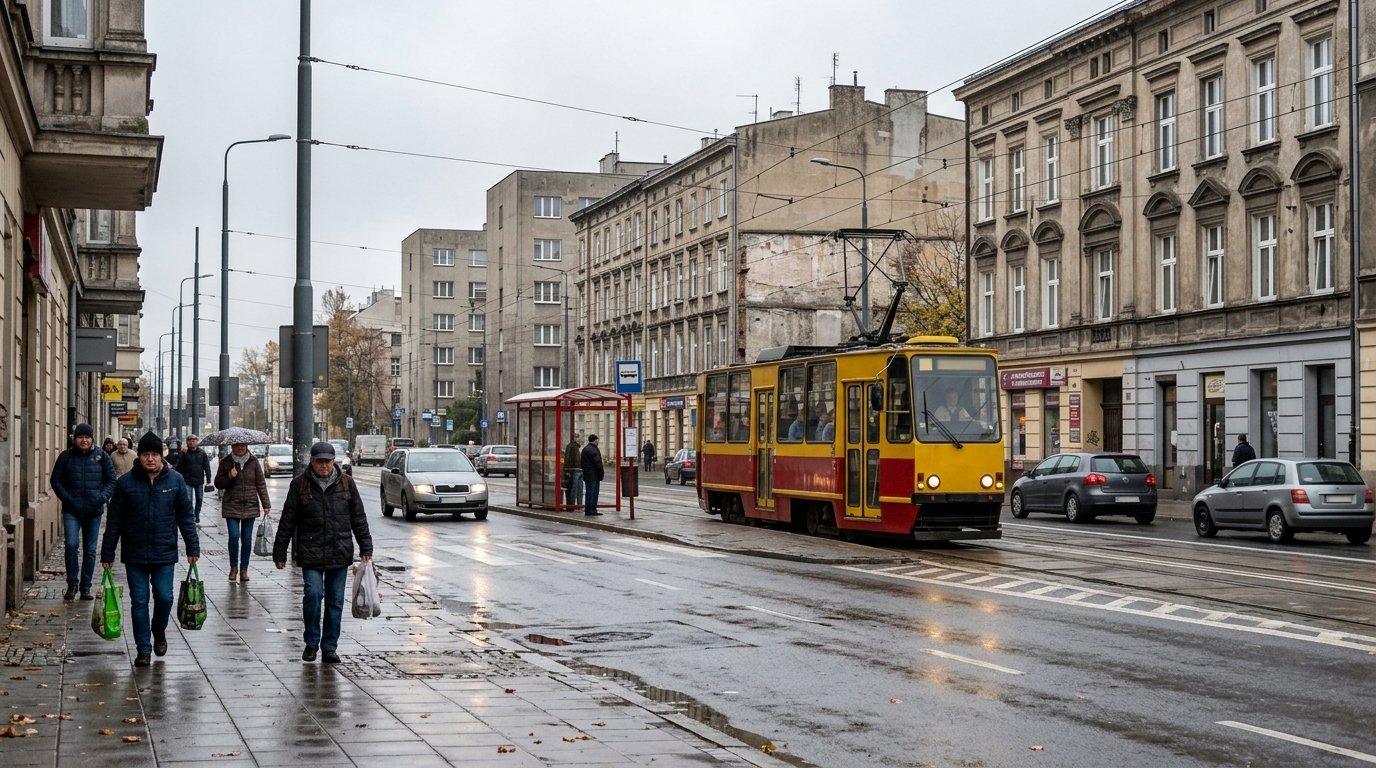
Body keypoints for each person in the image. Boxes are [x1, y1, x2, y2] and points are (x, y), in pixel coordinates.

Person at [100, 431, 200, 668]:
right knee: (139, 601)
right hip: (135, 553)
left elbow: (186, 517)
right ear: (140, 457)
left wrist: (192, 547)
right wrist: (107, 552)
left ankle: (159, 630)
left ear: (161, 456)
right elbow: (114, 520)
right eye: (146, 454)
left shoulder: (175, 481)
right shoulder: (125, 483)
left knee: (165, 597)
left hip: (164, 552)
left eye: (154, 454)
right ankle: (143, 649)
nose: (150, 459)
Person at [272, 441, 373, 664]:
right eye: (320, 462)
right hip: (311, 550)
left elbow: (359, 518)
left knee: (335, 601)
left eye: (328, 461)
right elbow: (288, 520)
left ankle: (329, 647)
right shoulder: (300, 485)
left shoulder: (347, 484)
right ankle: (311, 642)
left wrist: (366, 547)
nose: (324, 466)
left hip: (339, 550)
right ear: (312, 462)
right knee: (313, 594)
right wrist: (279, 551)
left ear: (334, 461)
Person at [50, 423, 116, 601]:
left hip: (94, 511)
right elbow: (55, 480)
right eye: (81, 437)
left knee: (90, 549)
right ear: (75, 439)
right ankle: (72, 584)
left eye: (87, 437)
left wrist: (101, 498)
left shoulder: (102, 457)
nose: (84, 440)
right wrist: (67, 497)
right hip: (72, 509)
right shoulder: (66, 456)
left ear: (92, 439)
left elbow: (111, 481)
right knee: (71, 545)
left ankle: (86, 587)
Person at [215, 441, 270, 583]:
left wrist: (266, 504)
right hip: (232, 504)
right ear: (232, 447)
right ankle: (233, 567)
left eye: (243, 446)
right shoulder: (226, 462)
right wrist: (229, 476)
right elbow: (218, 483)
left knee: (246, 539)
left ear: (247, 447)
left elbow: (261, 483)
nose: (241, 448)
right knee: (234, 536)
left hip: (250, 504)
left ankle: (244, 569)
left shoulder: (254, 461)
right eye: (238, 446)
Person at [177, 434, 213, 525]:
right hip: (187, 480)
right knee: (188, 500)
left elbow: (206, 466)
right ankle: (192, 516)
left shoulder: (202, 453)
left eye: (194, 440)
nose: (192, 442)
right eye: (190, 441)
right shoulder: (184, 453)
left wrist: (208, 479)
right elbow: (179, 466)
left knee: (199, 499)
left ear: (197, 442)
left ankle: (197, 515)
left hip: (199, 480)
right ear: (187, 442)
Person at [580, 434, 604, 517]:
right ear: (595, 440)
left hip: (587, 474)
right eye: (597, 440)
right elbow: (598, 463)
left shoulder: (585, 449)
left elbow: (582, 463)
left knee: (588, 492)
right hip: (594, 475)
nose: (598, 441)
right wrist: (601, 473)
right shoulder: (594, 450)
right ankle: (592, 510)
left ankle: (588, 509)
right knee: (594, 493)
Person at [562, 433, 584, 507]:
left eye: (579, 437)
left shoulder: (576, 447)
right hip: (574, 470)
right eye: (577, 438)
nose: (579, 439)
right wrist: (567, 469)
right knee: (574, 489)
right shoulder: (572, 446)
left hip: (578, 470)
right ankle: (572, 505)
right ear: (574, 438)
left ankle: (578, 504)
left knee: (578, 488)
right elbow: (567, 458)